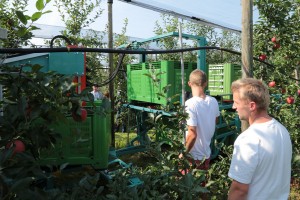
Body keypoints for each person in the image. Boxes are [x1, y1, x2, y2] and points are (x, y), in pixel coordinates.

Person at [228, 78, 292, 200]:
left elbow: (239, 190)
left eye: (236, 102)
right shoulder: (282, 130)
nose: (233, 106)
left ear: (251, 106)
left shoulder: (248, 139)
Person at [180, 69, 220, 170]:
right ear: (205, 83)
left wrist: (183, 154)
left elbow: (192, 135)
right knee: (202, 183)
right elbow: (215, 121)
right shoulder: (214, 101)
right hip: (206, 154)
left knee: (187, 184)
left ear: (189, 83)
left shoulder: (190, 104)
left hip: (193, 156)